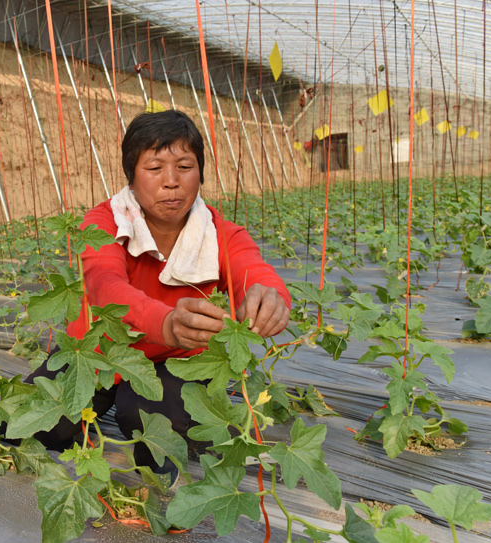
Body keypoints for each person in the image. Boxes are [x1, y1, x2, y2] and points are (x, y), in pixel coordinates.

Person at [24, 110, 291, 481]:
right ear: (132, 178)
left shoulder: (219, 233)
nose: (171, 182)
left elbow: (254, 270)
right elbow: (106, 285)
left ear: (200, 173)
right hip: (97, 352)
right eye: (154, 168)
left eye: (184, 166)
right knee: (31, 429)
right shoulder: (104, 224)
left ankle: (160, 488)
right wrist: (164, 322)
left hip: (177, 362)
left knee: (147, 419)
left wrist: (271, 296)